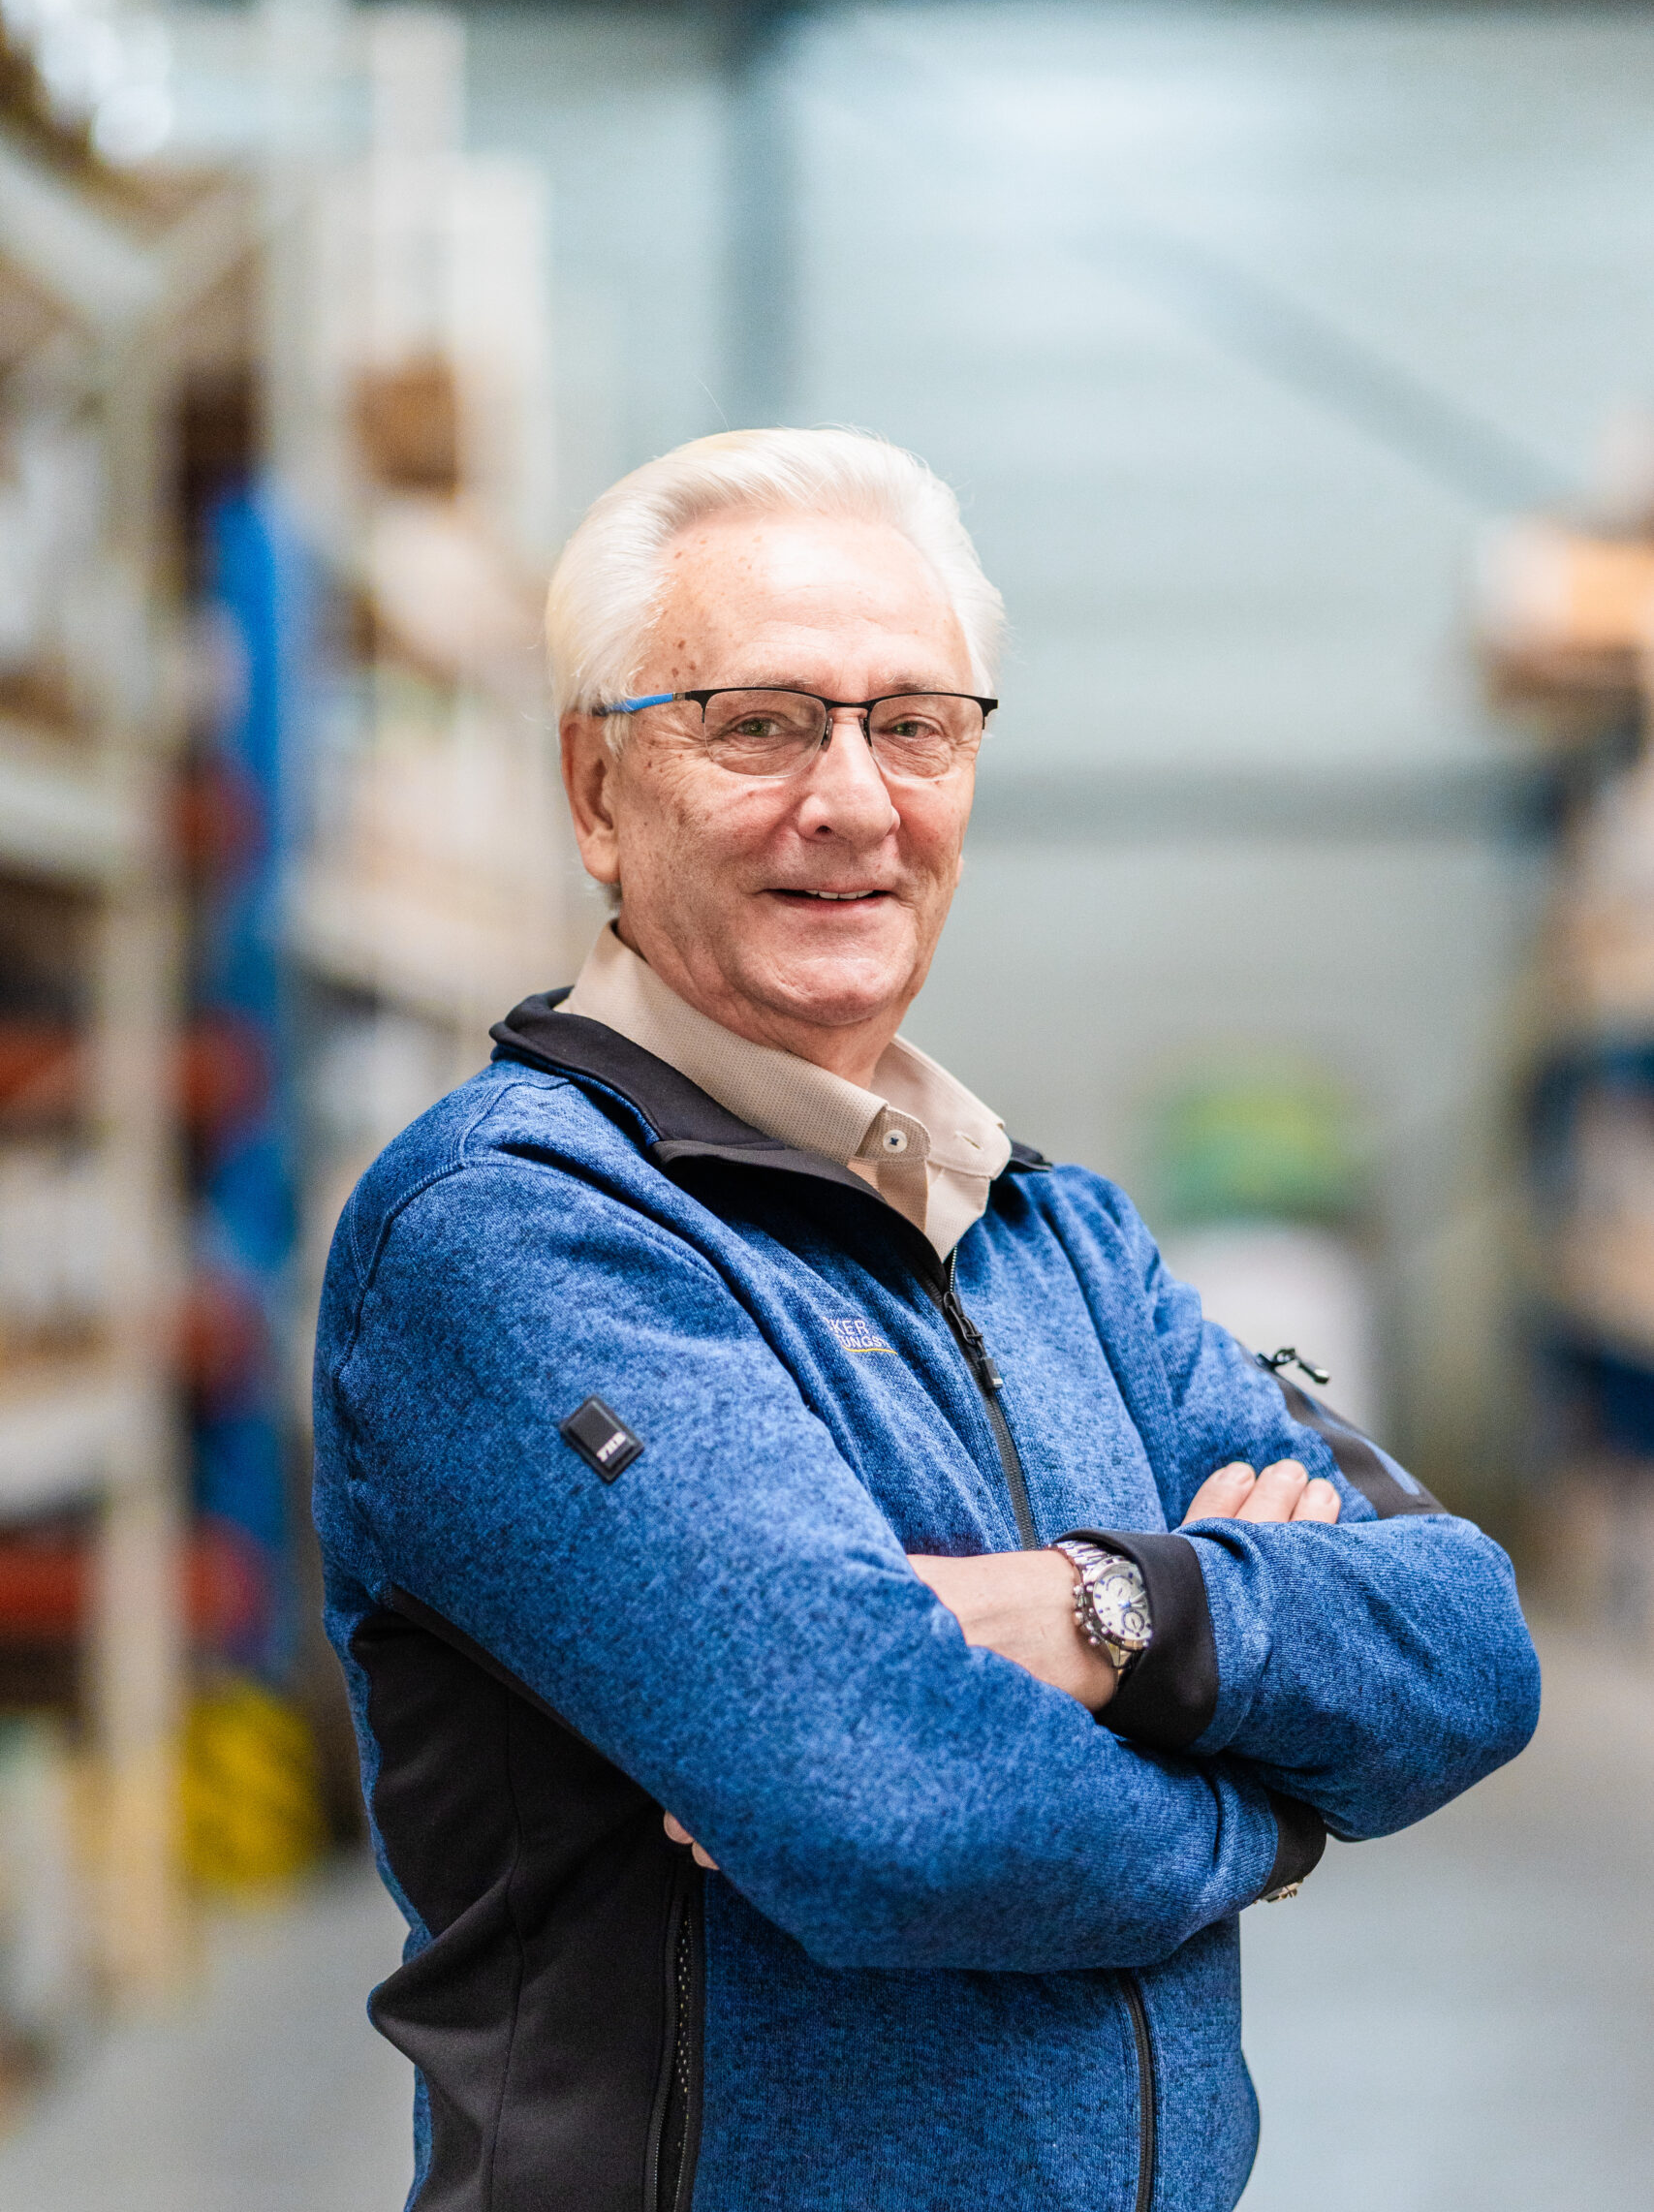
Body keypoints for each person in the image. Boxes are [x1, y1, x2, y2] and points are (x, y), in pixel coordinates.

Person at [313, 427, 1540, 2212]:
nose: (855, 801)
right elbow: (887, 1806)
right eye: (759, 722)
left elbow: (1468, 1643)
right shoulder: (513, 1232)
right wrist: (1274, 1804)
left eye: (915, 724)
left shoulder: (1058, 1239)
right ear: (596, 789)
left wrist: (1102, 1612)